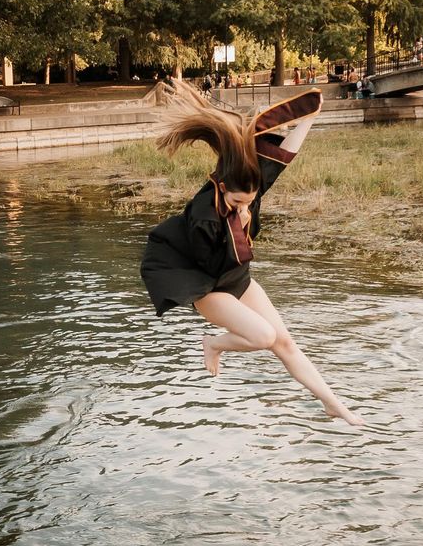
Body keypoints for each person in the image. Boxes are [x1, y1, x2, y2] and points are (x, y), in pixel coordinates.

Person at [140, 82, 365, 425]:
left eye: (249, 201)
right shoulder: (204, 213)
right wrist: (235, 223)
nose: (244, 207)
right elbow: (212, 263)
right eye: (237, 202)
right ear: (221, 187)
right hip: (207, 284)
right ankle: (214, 344)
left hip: (236, 277)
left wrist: (309, 118)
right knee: (263, 336)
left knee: (284, 342)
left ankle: (334, 404)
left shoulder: (249, 184)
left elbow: (284, 156)